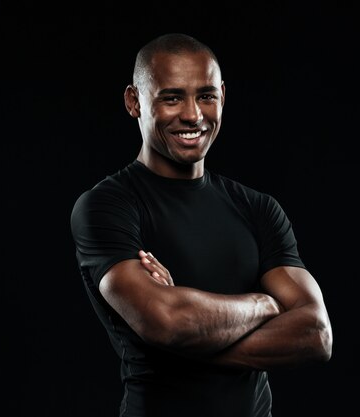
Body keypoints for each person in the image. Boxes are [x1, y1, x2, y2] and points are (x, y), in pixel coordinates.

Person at [70, 33, 333, 417]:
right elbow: (167, 321)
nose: (193, 115)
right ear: (134, 101)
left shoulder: (258, 209)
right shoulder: (106, 207)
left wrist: (190, 339)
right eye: (172, 97)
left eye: (206, 95)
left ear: (222, 97)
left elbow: (316, 334)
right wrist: (264, 303)